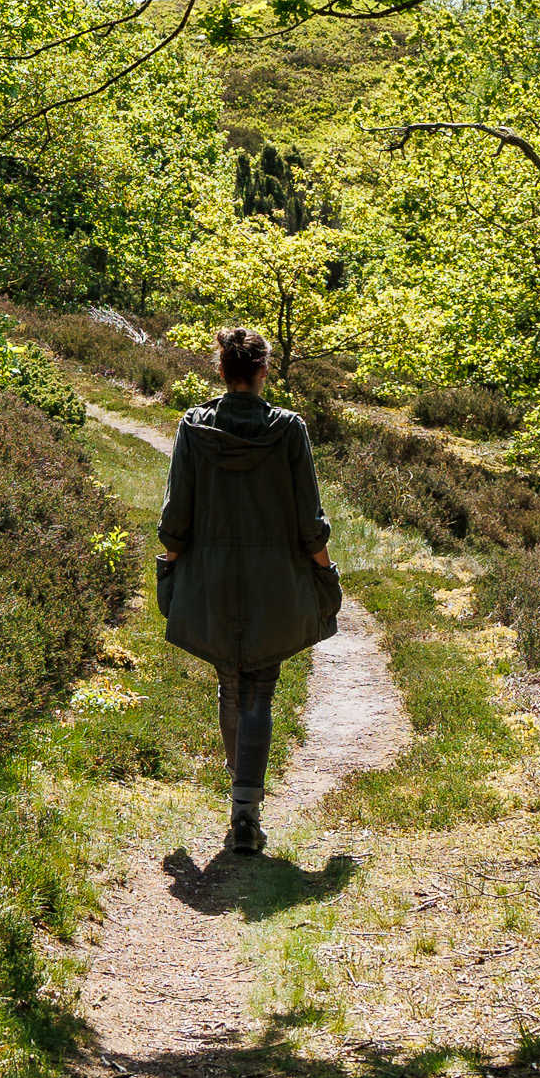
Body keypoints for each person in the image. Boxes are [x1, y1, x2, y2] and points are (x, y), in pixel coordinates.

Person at [154, 324, 339, 857]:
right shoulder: (288, 429)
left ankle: (241, 803)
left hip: (211, 577)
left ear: (221, 371)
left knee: (229, 683)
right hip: (273, 582)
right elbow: (310, 521)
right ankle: (245, 812)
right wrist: (325, 572)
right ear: (262, 372)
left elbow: (175, 519)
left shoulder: (193, 425)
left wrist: (169, 564)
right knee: (260, 688)